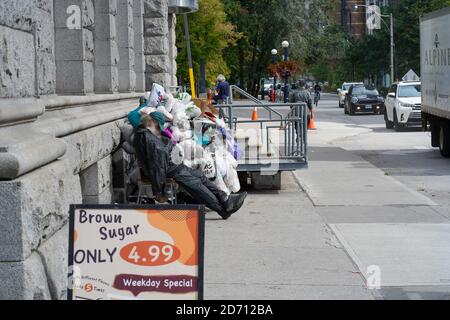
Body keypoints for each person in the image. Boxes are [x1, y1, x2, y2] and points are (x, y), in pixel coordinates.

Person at [133, 111, 247, 220]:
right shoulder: (150, 140)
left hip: (172, 165)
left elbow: (160, 156)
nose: (159, 130)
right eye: (159, 127)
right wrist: (158, 191)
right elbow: (157, 168)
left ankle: (225, 198)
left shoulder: (144, 133)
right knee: (196, 185)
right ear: (152, 123)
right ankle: (223, 209)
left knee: (200, 176)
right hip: (170, 169)